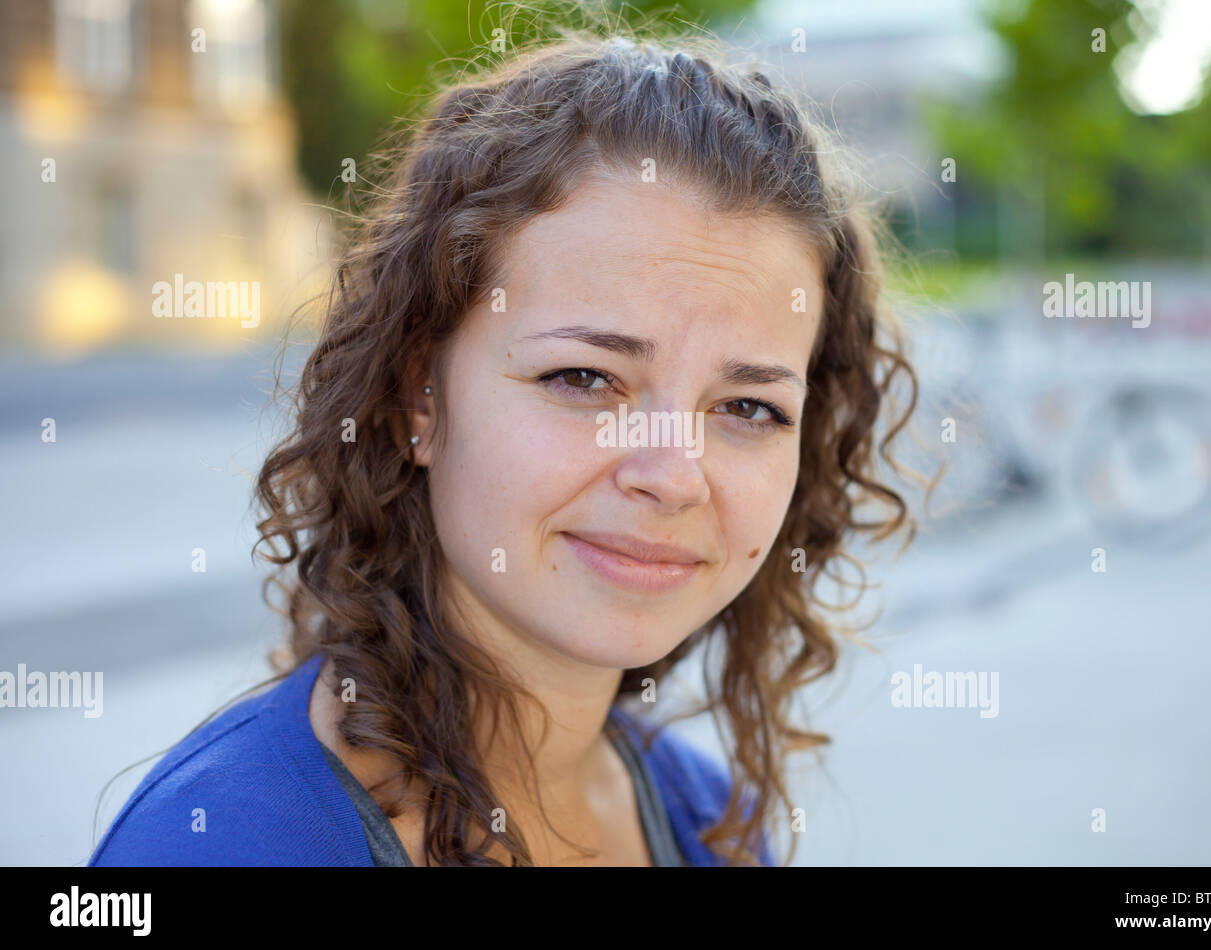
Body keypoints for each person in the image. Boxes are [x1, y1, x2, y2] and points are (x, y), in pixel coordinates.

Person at [89, 25, 917, 867]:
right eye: (585, 379)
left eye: (747, 406)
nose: (672, 475)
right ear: (421, 396)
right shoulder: (227, 841)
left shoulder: (708, 821)